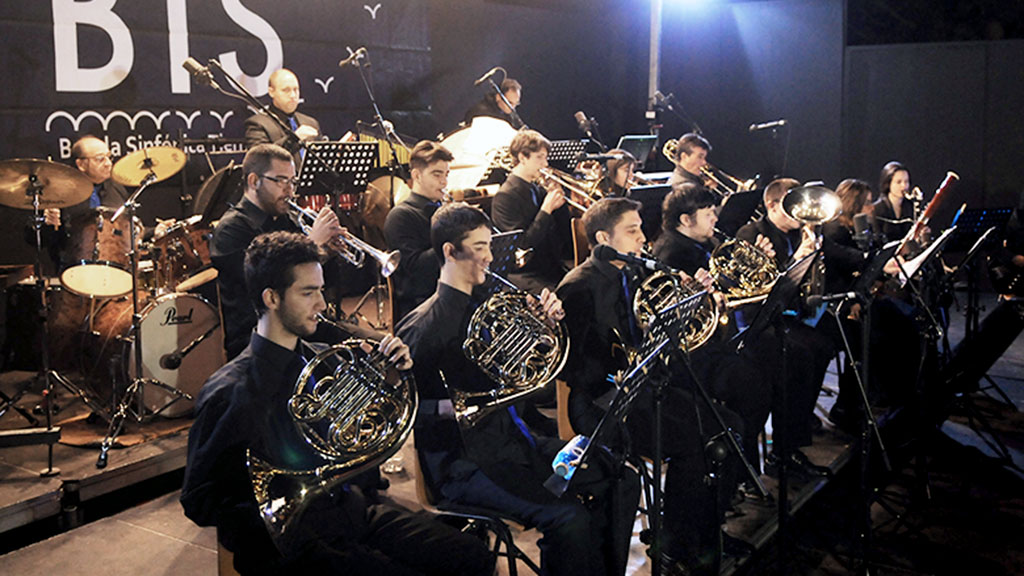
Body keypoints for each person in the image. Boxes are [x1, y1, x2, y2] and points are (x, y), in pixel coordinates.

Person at [181, 231, 493, 576]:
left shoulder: (324, 361)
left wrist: (394, 378)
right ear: (271, 298)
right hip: (287, 544)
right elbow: (199, 501)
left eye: (321, 290)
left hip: (350, 512)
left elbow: (367, 431)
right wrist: (272, 508)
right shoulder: (229, 392)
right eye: (308, 292)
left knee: (470, 554)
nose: (321, 303)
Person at [396, 202, 638, 576]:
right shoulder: (423, 327)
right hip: (465, 465)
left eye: (489, 246)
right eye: (479, 248)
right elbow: (411, 410)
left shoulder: (489, 305)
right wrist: (456, 408)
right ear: (449, 251)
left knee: (620, 474)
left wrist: (546, 327)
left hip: (517, 445)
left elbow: (525, 378)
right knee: (568, 517)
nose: (490, 257)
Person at [557, 196, 746, 575]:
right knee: (696, 444)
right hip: (601, 402)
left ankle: (703, 536)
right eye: (632, 231)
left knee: (731, 430)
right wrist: (621, 353)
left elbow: (660, 332)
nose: (643, 238)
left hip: (643, 389)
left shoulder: (635, 272)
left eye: (641, 228)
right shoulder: (578, 287)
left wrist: (693, 300)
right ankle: (674, 546)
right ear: (603, 238)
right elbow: (575, 370)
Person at [652, 183, 776, 483]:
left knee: (770, 364)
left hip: (718, 345)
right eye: (708, 214)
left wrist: (755, 262)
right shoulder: (672, 254)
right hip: (692, 357)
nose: (715, 220)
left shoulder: (699, 244)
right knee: (755, 388)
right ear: (686, 220)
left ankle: (745, 467)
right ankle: (735, 472)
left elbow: (727, 283)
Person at [735, 178, 835, 477]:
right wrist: (798, 259)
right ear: (773, 205)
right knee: (800, 357)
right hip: (758, 322)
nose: (802, 214)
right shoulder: (752, 234)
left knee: (826, 342)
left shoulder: (801, 232)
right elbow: (761, 294)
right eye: (795, 207)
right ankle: (784, 450)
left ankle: (798, 423)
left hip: (791, 313)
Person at [211, 143, 343, 359]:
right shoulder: (231, 230)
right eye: (281, 180)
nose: (290, 190)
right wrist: (313, 246)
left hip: (303, 324)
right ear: (254, 181)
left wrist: (328, 254)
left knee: (380, 346)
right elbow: (266, 283)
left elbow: (321, 285)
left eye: (293, 181)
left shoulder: (289, 221)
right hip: (260, 338)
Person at [491, 129, 572, 293]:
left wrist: (560, 201)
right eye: (539, 157)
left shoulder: (536, 188)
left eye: (546, 158)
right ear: (522, 158)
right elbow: (522, 246)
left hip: (551, 266)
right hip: (527, 275)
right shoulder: (505, 196)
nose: (545, 164)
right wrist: (546, 209)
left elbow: (564, 232)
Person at [383, 140, 453, 323]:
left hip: (447, 295)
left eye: (446, 174)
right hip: (421, 307)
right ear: (416, 175)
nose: (444, 181)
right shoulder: (400, 216)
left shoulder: (442, 209)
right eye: (437, 175)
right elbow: (416, 270)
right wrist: (454, 235)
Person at [36, 136, 129, 270]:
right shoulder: (60, 192)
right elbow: (36, 238)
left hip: (116, 267)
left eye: (109, 157)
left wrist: (155, 231)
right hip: (74, 268)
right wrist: (46, 223)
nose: (108, 163)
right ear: (81, 164)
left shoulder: (116, 189)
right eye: (100, 159)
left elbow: (129, 229)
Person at [244, 69, 321, 172]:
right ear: (271, 92)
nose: (293, 95)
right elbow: (260, 161)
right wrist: (294, 139)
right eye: (286, 90)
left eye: (296, 89)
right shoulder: (258, 124)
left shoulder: (310, 123)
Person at [872, 161, 916, 242]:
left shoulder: (911, 206)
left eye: (906, 181)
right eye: (898, 182)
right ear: (888, 184)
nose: (904, 186)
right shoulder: (877, 209)